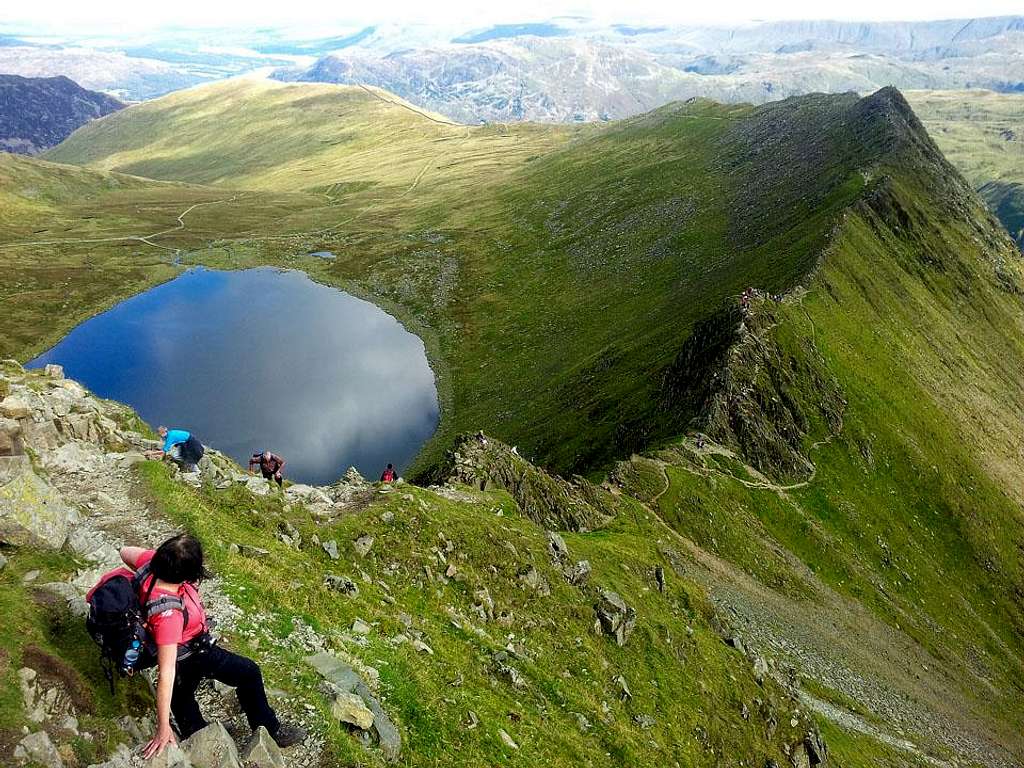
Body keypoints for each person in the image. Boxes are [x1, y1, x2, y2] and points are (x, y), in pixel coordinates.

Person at [113, 534, 305, 758]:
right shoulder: (169, 615)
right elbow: (165, 672)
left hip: (183, 649)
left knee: (182, 696)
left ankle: (197, 731)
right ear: (186, 574)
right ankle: (271, 729)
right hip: (192, 654)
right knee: (249, 673)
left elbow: (124, 551)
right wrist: (162, 727)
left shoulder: (151, 564)